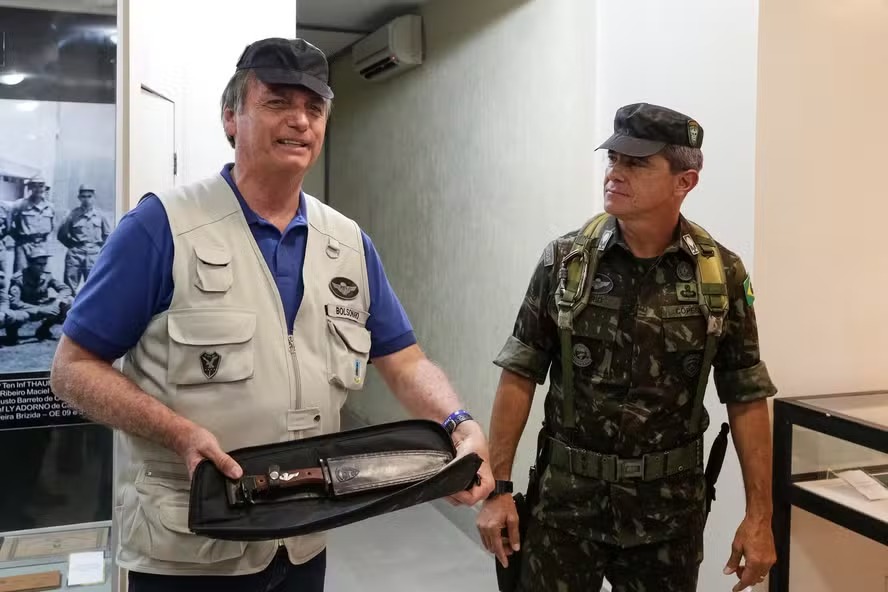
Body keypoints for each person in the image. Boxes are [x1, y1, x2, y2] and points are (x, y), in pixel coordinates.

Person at [50, 37, 493, 591]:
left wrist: (459, 422)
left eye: (314, 108)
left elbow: (404, 361)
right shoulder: (163, 229)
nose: (300, 121)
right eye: (279, 102)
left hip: (304, 537)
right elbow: (71, 370)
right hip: (188, 546)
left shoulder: (349, 244)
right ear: (231, 117)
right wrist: (179, 432)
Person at [476, 103, 777, 592]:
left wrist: (758, 518)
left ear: (685, 182)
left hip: (668, 516)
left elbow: (745, 397)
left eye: (636, 163)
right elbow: (519, 374)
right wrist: (499, 490)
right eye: (613, 158)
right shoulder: (565, 261)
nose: (615, 172)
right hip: (566, 508)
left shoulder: (720, 275)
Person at [3, 245, 72, 344]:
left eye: (44, 264)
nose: (42, 267)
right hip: (26, 309)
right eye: (39, 264)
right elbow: (15, 303)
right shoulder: (18, 279)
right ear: (30, 263)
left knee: (69, 301)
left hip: (42, 306)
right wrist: (40, 309)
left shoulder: (47, 275)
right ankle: (12, 333)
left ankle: (43, 329)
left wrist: (56, 303)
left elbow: (65, 289)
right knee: (19, 316)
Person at [56, 184, 112, 293]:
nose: (86, 200)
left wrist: (98, 249)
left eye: (89, 196)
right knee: (70, 286)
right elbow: (61, 234)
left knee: (95, 285)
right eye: (83, 196)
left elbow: (107, 236)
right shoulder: (72, 214)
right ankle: (69, 308)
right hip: (75, 254)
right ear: (79, 198)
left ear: (94, 197)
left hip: (94, 254)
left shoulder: (101, 216)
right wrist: (73, 246)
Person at [10, 176, 55, 273]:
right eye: (34, 186)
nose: (38, 189)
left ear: (44, 188)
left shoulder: (50, 207)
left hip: (42, 244)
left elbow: (52, 227)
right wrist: (20, 239)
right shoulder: (20, 205)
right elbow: (10, 225)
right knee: (20, 274)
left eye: (41, 186)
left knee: (42, 275)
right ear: (29, 188)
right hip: (24, 245)